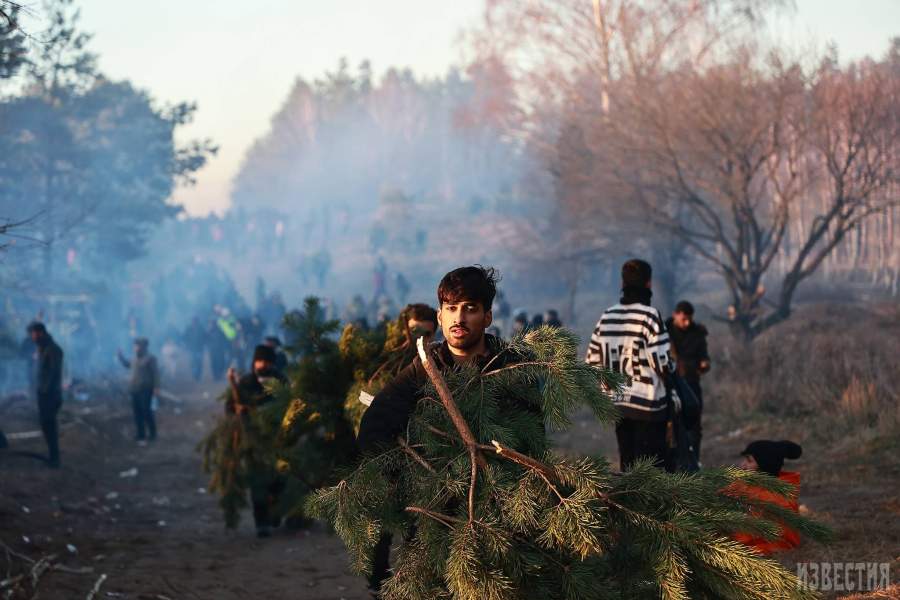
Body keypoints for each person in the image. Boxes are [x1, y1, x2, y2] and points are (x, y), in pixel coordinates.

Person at [357, 265, 531, 596]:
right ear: (439, 317)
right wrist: (399, 475)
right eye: (451, 308)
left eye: (470, 309)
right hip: (430, 511)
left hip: (494, 515)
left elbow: (530, 435)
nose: (459, 318)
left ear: (488, 316)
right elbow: (376, 423)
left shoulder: (508, 367)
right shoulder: (425, 368)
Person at [585, 259, 674, 472]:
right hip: (648, 405)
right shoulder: (649, 316)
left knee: (627, 462)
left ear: (622, 283)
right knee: (651, 469)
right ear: (649, 284)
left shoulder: (607, 316)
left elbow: (592, 361)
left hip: (618, 404)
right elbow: (662, 363)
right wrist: (672, 384)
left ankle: (628, 503)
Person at [227, 344, 288, 538]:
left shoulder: (280, 380)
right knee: (257, 482)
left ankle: (275, 510)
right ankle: (261, 522)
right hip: (253, 439)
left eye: (266, 362)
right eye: (259, 361)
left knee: (279, 479)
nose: (262, 365)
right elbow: (231, 407)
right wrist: (238, 411)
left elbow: (289, 405)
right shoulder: (245, 382)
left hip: (277, 439)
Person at [729, 440, 803, 555]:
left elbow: (784, 542)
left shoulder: (778, 501)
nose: (742, 465)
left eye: (749, 461)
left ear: (764, 465)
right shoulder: (742, 485)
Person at [666, 301, 710, 464]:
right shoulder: (664, 331)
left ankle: (693, 463)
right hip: (669, 386)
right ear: (675, 315)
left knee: (694, 427)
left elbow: (704, 356)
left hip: (691, 384)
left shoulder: (697, 333)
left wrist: (704, 364)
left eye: (689, 319)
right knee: (670, 427)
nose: (687, 323)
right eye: (684, 319)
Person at [27, 322, 64, 468]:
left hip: (50, 395)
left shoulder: (53, 349)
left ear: (40, 333)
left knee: (49, 425)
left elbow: (53, 373)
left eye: (33, 333)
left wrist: (44, 390)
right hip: (44, 394)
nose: (32, 337)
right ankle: (52, 457)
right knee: (45, 425)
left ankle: (55, 459)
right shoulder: (43, 348)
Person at [118, 338, 160, 444]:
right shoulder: (135, 359)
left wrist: (156, 388)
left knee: (146, 411)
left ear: (143, 346)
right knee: (137, 413)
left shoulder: (150, 358)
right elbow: (127, 365)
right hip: (134, 390)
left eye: (137, 346)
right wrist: (120, 357)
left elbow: (156, 374)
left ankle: (152, 433)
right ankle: (141, 434)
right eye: (135, 346)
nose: (135, 348)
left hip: (146, 390)